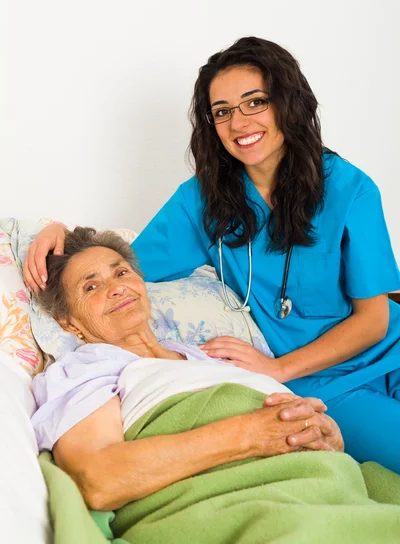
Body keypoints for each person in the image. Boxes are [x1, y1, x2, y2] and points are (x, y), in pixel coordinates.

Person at [25, 37, 400, 474]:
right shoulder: (202, 202)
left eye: (254, 102)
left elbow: (373, 319)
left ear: (287, 103)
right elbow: (121, 267)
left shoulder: (350, 188)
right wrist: (60, 233)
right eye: (222, 111)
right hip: (324, 384)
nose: (239, 122)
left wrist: (278, 367)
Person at [31, 229, 400, 544]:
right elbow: (98, 478)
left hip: (327, 483)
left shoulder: (206, 355)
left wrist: (329, 437)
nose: (116, 288)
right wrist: (250, 435)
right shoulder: (83, 368)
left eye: (122, 272)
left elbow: (287, 427)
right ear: (69, 322)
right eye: (91, 285)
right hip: (249, 506)